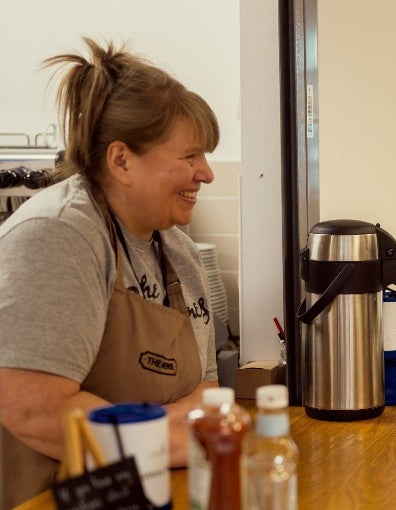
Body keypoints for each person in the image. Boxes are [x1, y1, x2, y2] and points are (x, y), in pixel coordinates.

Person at [0, 38, 219, 507]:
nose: (207, 173)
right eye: (190, 157)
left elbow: (206, 395)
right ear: (121, 160)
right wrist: (178, 433)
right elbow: (35, 409)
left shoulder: (178, 250)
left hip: (154, 491)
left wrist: (161, 427)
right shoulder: (60, 237)